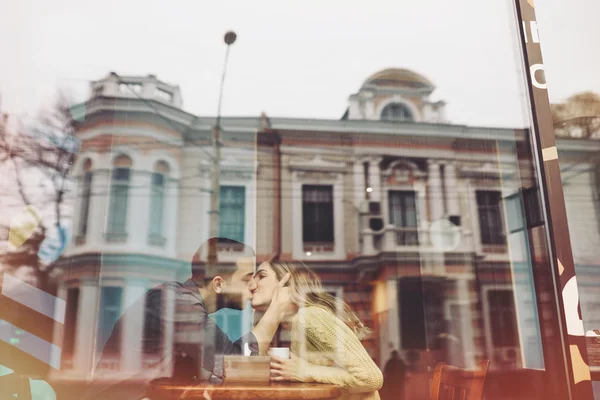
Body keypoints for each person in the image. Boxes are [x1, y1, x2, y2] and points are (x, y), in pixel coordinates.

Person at [83, 237, 292, 399]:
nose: (253, 285)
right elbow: (236, 365)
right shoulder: (175, 302)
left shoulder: (181, 302)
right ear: (218, 284)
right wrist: (276, 311)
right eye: (247, 278)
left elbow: (216, 372)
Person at [249, 260, 383, 400]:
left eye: (261, 276)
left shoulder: (309, 316)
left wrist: (306, 371)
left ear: (286, 282)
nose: (251, 286)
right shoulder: (290, 324)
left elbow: (371, 378)